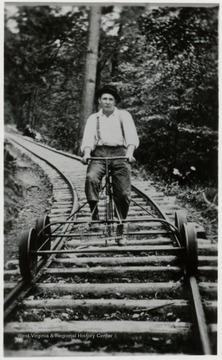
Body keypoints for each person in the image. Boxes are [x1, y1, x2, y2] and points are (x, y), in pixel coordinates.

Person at [81, 84, 139, 244]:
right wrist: (86, 153)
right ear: (99, 101)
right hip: (99, 153)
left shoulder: (124, 116)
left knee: (124, 193)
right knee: (91, 178)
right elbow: (88, 139)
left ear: (115, 102)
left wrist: (130, 153)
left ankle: (120, 228)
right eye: (104, 99)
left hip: (121, 154)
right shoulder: (94, 118)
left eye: (110, 99)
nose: (107, 102)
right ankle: (94, 214)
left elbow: (132, 137)